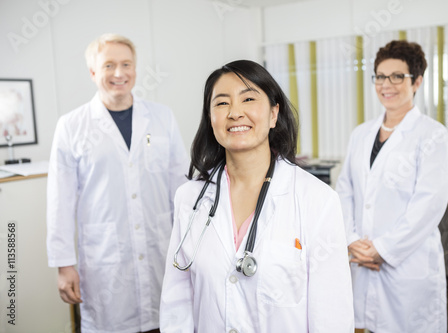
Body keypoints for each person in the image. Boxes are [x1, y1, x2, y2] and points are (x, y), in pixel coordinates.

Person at [158, 60, 354, 332]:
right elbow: (176, 302)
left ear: (274, 114)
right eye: (222, 103)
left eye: (248, 99)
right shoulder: (189, 198)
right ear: (210, 118)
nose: (235, 113)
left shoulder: (317, 200)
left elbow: (332, 315)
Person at [46, 33, 189, 333]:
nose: (120, 73)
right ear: (93, 72)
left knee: (166, 322)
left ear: (136, 69)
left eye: (127, 64)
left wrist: (191, 246)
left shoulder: (162, 118)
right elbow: (60, 201)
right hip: (106, 261)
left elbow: (181, 187)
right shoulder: (72, 126)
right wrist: (64, 265)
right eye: (109, 65)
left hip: (161, 251)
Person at [336, 40, 448, 333]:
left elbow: (428, 206)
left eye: (397, 76)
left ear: (416, 82)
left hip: (405, 264)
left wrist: (382, 249)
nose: (386, 84)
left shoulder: (432, 135)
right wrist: (352, 240)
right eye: (380, 76)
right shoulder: (361, 134)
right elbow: (345, 190)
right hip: (361, 258)